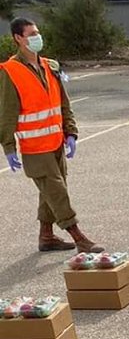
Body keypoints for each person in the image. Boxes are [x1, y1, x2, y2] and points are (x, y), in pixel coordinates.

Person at [1, 17, 102, 252]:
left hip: (56, 142)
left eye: (37, 33)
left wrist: (71, 132)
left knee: (51, 191)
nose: (37, 38)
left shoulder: (50, 66)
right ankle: (79, 237)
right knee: (57, 192)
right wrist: (8, 146)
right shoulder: (10, 71)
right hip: (35, 148)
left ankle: (46, 236)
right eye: (31, 34)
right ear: (18, 38)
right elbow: (7, 112)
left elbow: (63, 103)